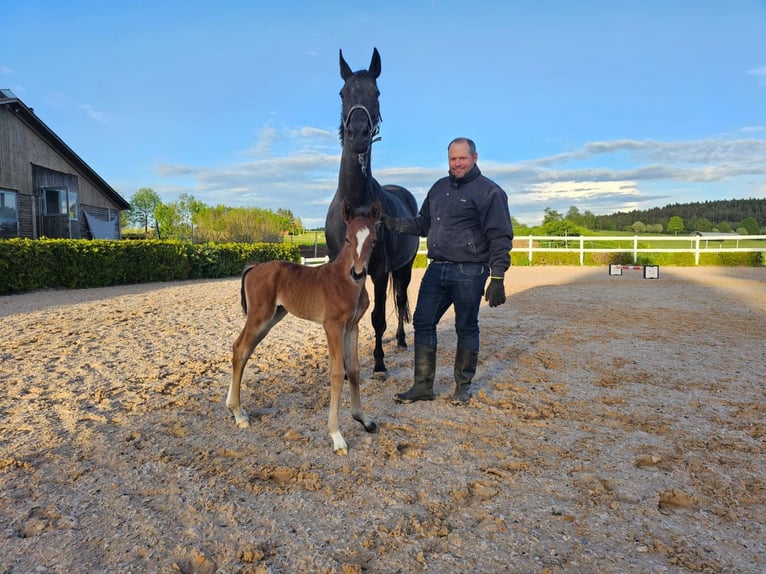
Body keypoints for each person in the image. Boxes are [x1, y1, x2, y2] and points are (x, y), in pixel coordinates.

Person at [381, 137, 514, 405]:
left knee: (465, 326)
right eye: (453, 159)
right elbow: (422, 224)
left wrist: (497, 276)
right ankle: (422, 386)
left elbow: (500, 237)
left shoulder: (490, 193)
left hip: (470, 272)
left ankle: (462, 387)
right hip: (437, 268)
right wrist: (393, 224)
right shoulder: (439, 188)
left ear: (474, 158)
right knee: (422, 322)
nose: (457, 163)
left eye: (462, 158)